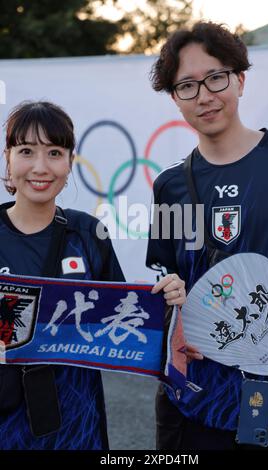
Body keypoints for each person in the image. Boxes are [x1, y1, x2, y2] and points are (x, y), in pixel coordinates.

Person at [146, 21, 268, 450]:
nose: (205, 96)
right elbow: (167, 274)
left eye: (216, 77)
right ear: (175, 98)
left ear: (240, 80)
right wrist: (168, 304)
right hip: (196, 402)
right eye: (187, 86)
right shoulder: (170, 186)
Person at [0, 100, 186, 450]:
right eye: (26, 151)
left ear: (70, 162)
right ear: (8, 158)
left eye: (55, 152)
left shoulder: (87, 232)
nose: (41, 167)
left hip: (77, 426)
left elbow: (126, 324)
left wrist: (169, 301)